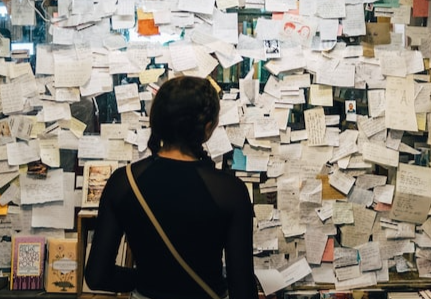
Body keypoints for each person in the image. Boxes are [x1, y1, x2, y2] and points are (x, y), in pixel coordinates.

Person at [85, 76, 259, 299]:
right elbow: (243, 289)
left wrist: (146, 279)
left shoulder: (123, 181)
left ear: (155, 120)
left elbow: (97, 276)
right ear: (208, 128)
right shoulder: (230, 191)